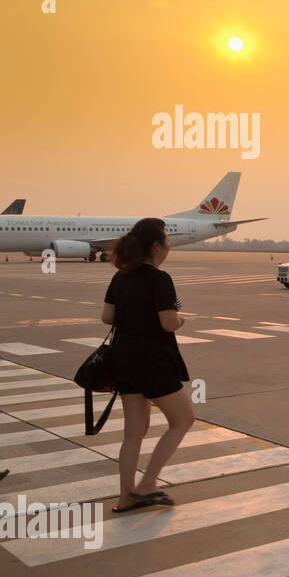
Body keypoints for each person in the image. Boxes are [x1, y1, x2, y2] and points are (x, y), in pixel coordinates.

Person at [101, 218, 195, 512]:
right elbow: (168, 322)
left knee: (133, 433)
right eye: (166, 241)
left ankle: (126, 494)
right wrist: (181, 319)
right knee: (182, 420)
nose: (168, 247)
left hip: (123, 357)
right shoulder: (159, 278)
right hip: (153, 359)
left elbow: (107, 316)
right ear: (156, 246)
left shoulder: (121, 277)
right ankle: (148, 483)